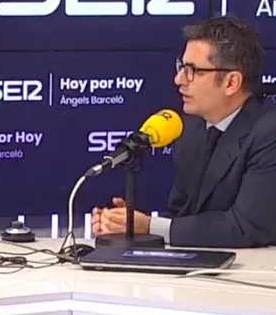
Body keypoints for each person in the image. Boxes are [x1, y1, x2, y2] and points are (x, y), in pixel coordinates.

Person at [92, 16, 276, 248]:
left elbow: (246, 227)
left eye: (192, 71)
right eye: (181, 67)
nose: (178, 80)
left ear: (231, 82)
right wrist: (127, 226)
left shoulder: (269, 133)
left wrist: (149, 226)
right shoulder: (191, 129)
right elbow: (180, 216)